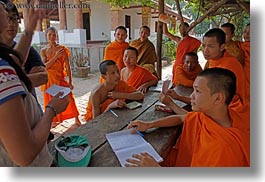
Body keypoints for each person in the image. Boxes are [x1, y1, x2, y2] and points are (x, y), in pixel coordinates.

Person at [126, 68, 249, 167]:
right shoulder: (208, 116)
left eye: (197, 91)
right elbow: (181, 118)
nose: (191, 96)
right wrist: (149, 124)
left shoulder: (223, 149)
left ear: (218, 98)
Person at [0, 0, 69, 166]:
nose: (3, 5)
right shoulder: (3, 74)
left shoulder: (5, 63)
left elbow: (15, 62)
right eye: (1, 5)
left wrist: (29, 30)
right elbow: (24, 155)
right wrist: (52, 110)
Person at [202, 28, 250, 133]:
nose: (205, 50)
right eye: (203, 45)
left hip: (232, 110)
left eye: (210, 46)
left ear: (222, 47)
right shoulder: (213, 61)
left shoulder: (229, 65)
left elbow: (219, 99)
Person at [40, 27, 81, 127]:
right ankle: (52, 120)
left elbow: (67, 66)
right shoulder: (44, 50)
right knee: (50, 101)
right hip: (49, 79)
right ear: (46, 36)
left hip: (60, 78)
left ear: (57, 36)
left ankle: (76, 118)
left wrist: (70, 81)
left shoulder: (62, 49)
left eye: (54, 35)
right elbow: (45, 66)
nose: (52, 37)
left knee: (69, 97)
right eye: (49, 35)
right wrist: (55, 57)